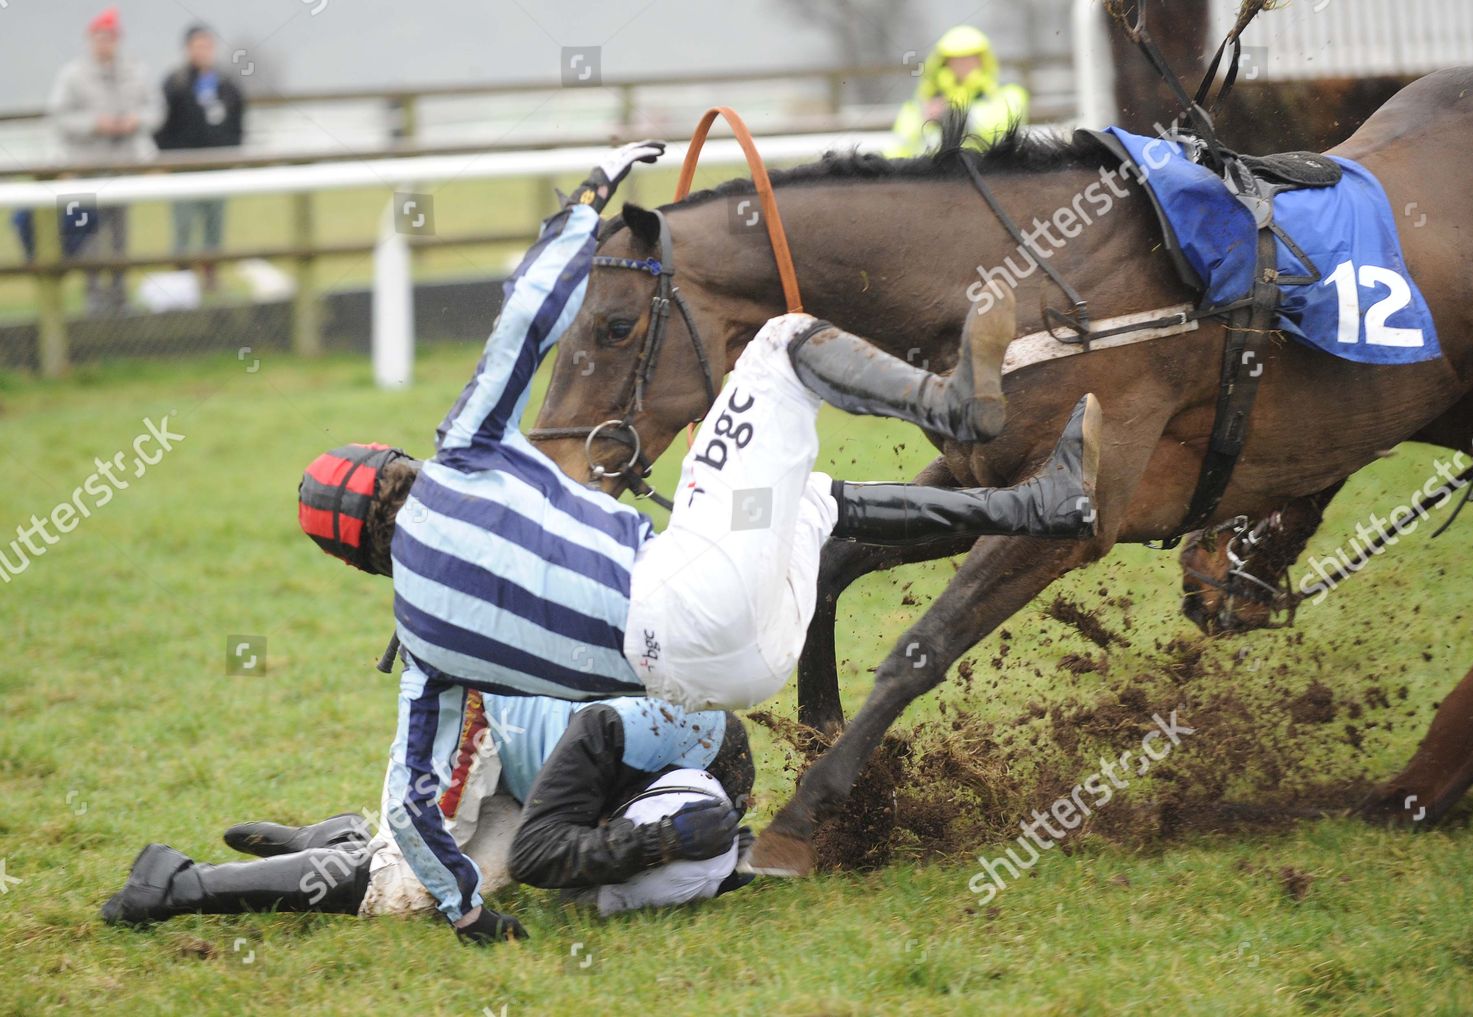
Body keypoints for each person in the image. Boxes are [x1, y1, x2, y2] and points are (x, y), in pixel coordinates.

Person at [294, 140, 1100, 942]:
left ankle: (1044, 505)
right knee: (784, 344)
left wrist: (469, 910)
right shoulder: (459, 459)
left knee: (805, 502)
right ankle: (955, 408)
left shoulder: (423, 649)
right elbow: (526, 320)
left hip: (733, 676)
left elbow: (409, 804)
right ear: (395, 468)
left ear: (359, 558)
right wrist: (585, 201)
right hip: (695, 599)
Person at [102, 696, 756, 942]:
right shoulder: (621, 733)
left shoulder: (692, 766)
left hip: (542, 773)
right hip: (480, 724)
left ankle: (335, 839)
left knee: (444, 886)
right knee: (406, 888)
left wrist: (696, 854)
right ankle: (176, 881)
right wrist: (661, 841)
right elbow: (539, 859)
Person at [46, 6, 164, 315]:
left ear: (117, 39)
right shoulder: (72, 75)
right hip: (88, 168)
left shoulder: (135, 71)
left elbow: (156, 109)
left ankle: (120, 293)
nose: (105, 43)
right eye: (100, 38)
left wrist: (135, 121)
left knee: (120, 235)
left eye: (110, 38)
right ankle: (94, 295)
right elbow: (59, 118)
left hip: (124, 166)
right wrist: (94, 124)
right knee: (90, 236)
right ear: (90, 39)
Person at [155, 24, 245, 293]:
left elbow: (238, 122)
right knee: (183, 225)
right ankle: (182, 282)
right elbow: (161, 126)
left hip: (217, 166)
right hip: (183, 167)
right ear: (187, 49)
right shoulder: (175, 84)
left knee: (214, 227)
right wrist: (167, 159)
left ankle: (210, 279)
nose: (203, 51)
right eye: (197, 46)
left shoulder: (226, 85)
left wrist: (231, 153)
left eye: (207, 46)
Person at [889, 25, 1030, 158]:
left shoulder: (1007, 93)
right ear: (944, 62)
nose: (963, 63)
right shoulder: (922, 101)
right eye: (956, 58)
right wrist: (924, 120)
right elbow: (899, 147)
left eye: (970, 57)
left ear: (983, 60)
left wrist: (951, 116)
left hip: (989, 177)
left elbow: (1002, 130)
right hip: (935, 178)